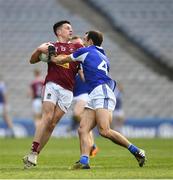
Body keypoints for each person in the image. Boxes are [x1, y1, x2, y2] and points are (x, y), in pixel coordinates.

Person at [50, 30, 146, 169]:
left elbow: (61, 60)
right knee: (83, 129)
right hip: (95, 93)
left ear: (90, 41)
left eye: (84, 39)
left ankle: (137, 151)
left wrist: (51, 55)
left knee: (104, 131)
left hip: (102, 91)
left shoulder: (85, 51)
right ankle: (84, 161)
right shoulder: (103, 55)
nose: (82, 42)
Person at [23, 20, 83, 169]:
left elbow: (86, 51)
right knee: (47, 117)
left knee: (52, 124)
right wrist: (39, 50)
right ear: (59, 32)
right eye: (67, 28)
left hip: (68, 91)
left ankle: (35, 154)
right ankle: (33, 153)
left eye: (71, 28)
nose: (71, 30)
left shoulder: (76, 47)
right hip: (52, 85)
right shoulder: (51, 46)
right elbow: (32, 60)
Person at [70, 36, 99, 157]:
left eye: (79, 44)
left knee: (77, 114)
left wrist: (81, 71)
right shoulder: (71, 60)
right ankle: (92, 145)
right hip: (74, 95)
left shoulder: (85, 58)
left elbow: (85, 78)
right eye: (74, 44)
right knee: (83, 124)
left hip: (84, 94)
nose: (76, 46)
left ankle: (91, 145)